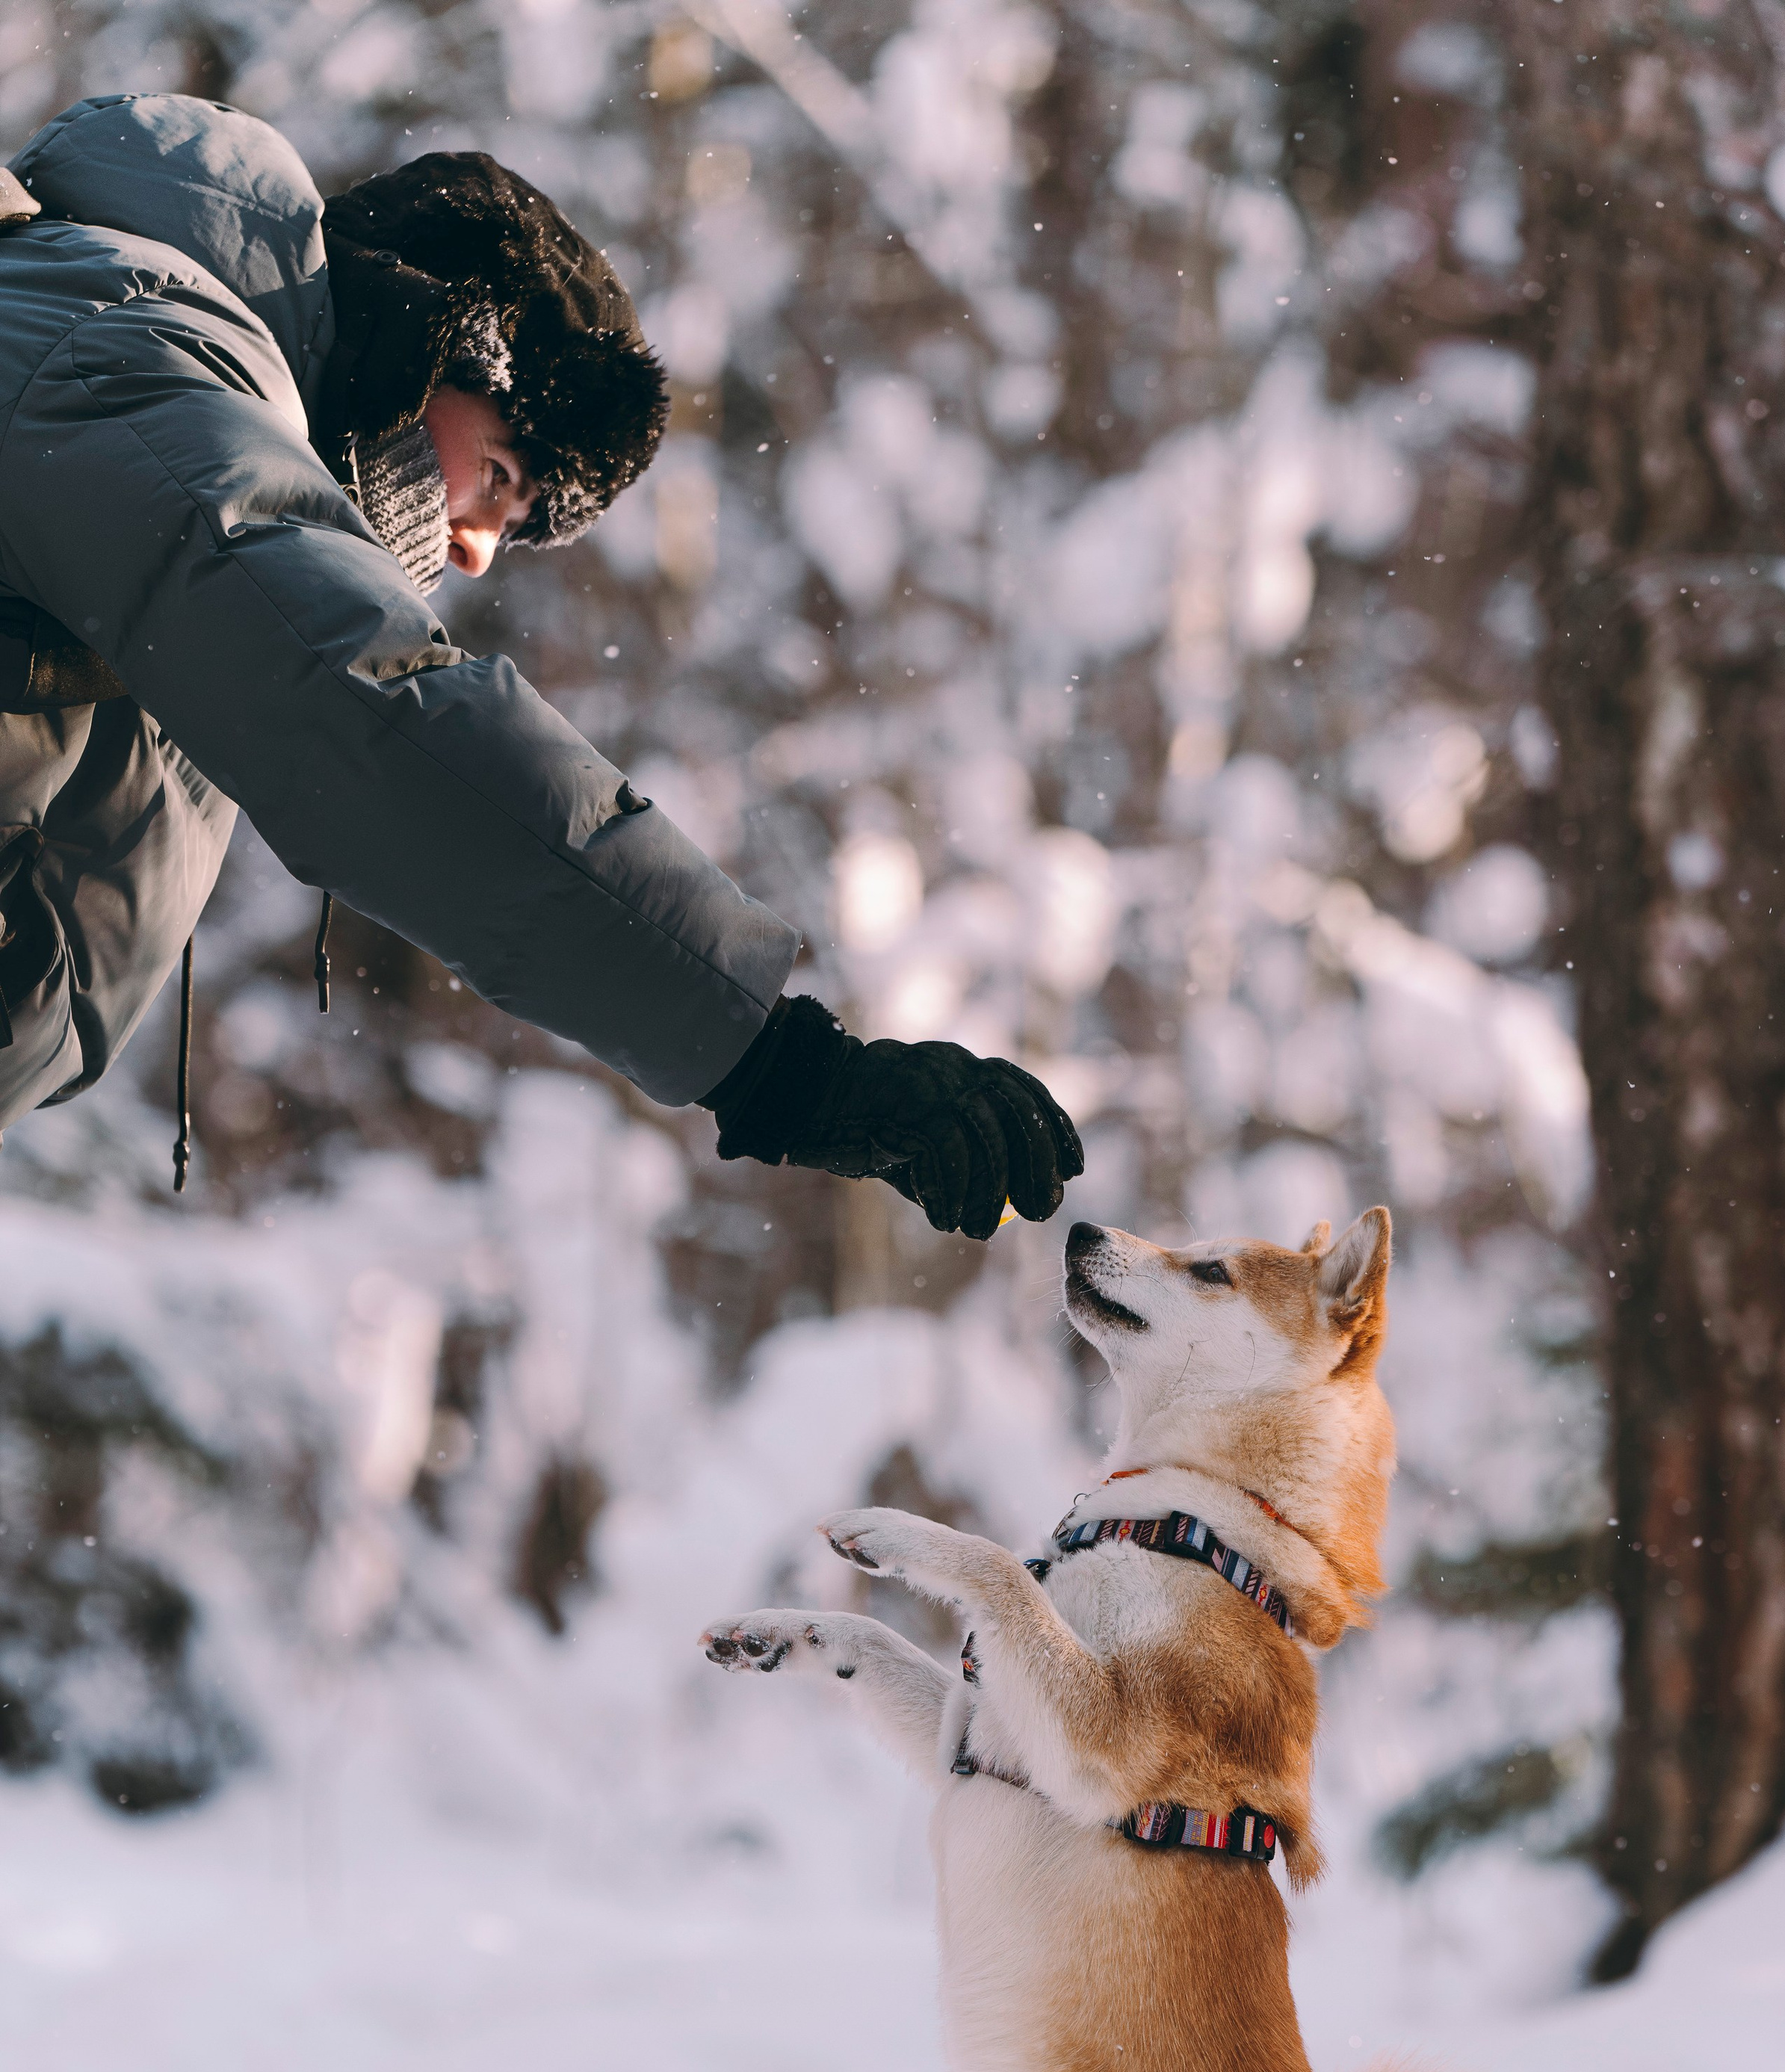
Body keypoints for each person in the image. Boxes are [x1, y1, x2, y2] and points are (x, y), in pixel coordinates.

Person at [0, 93, 1082, 1239]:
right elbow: (376, 719)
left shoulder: (158, 423)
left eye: (509, 532)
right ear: (436, 332)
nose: (470, 548)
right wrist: (773, 1062)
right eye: (505, 479)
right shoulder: (126, 352)